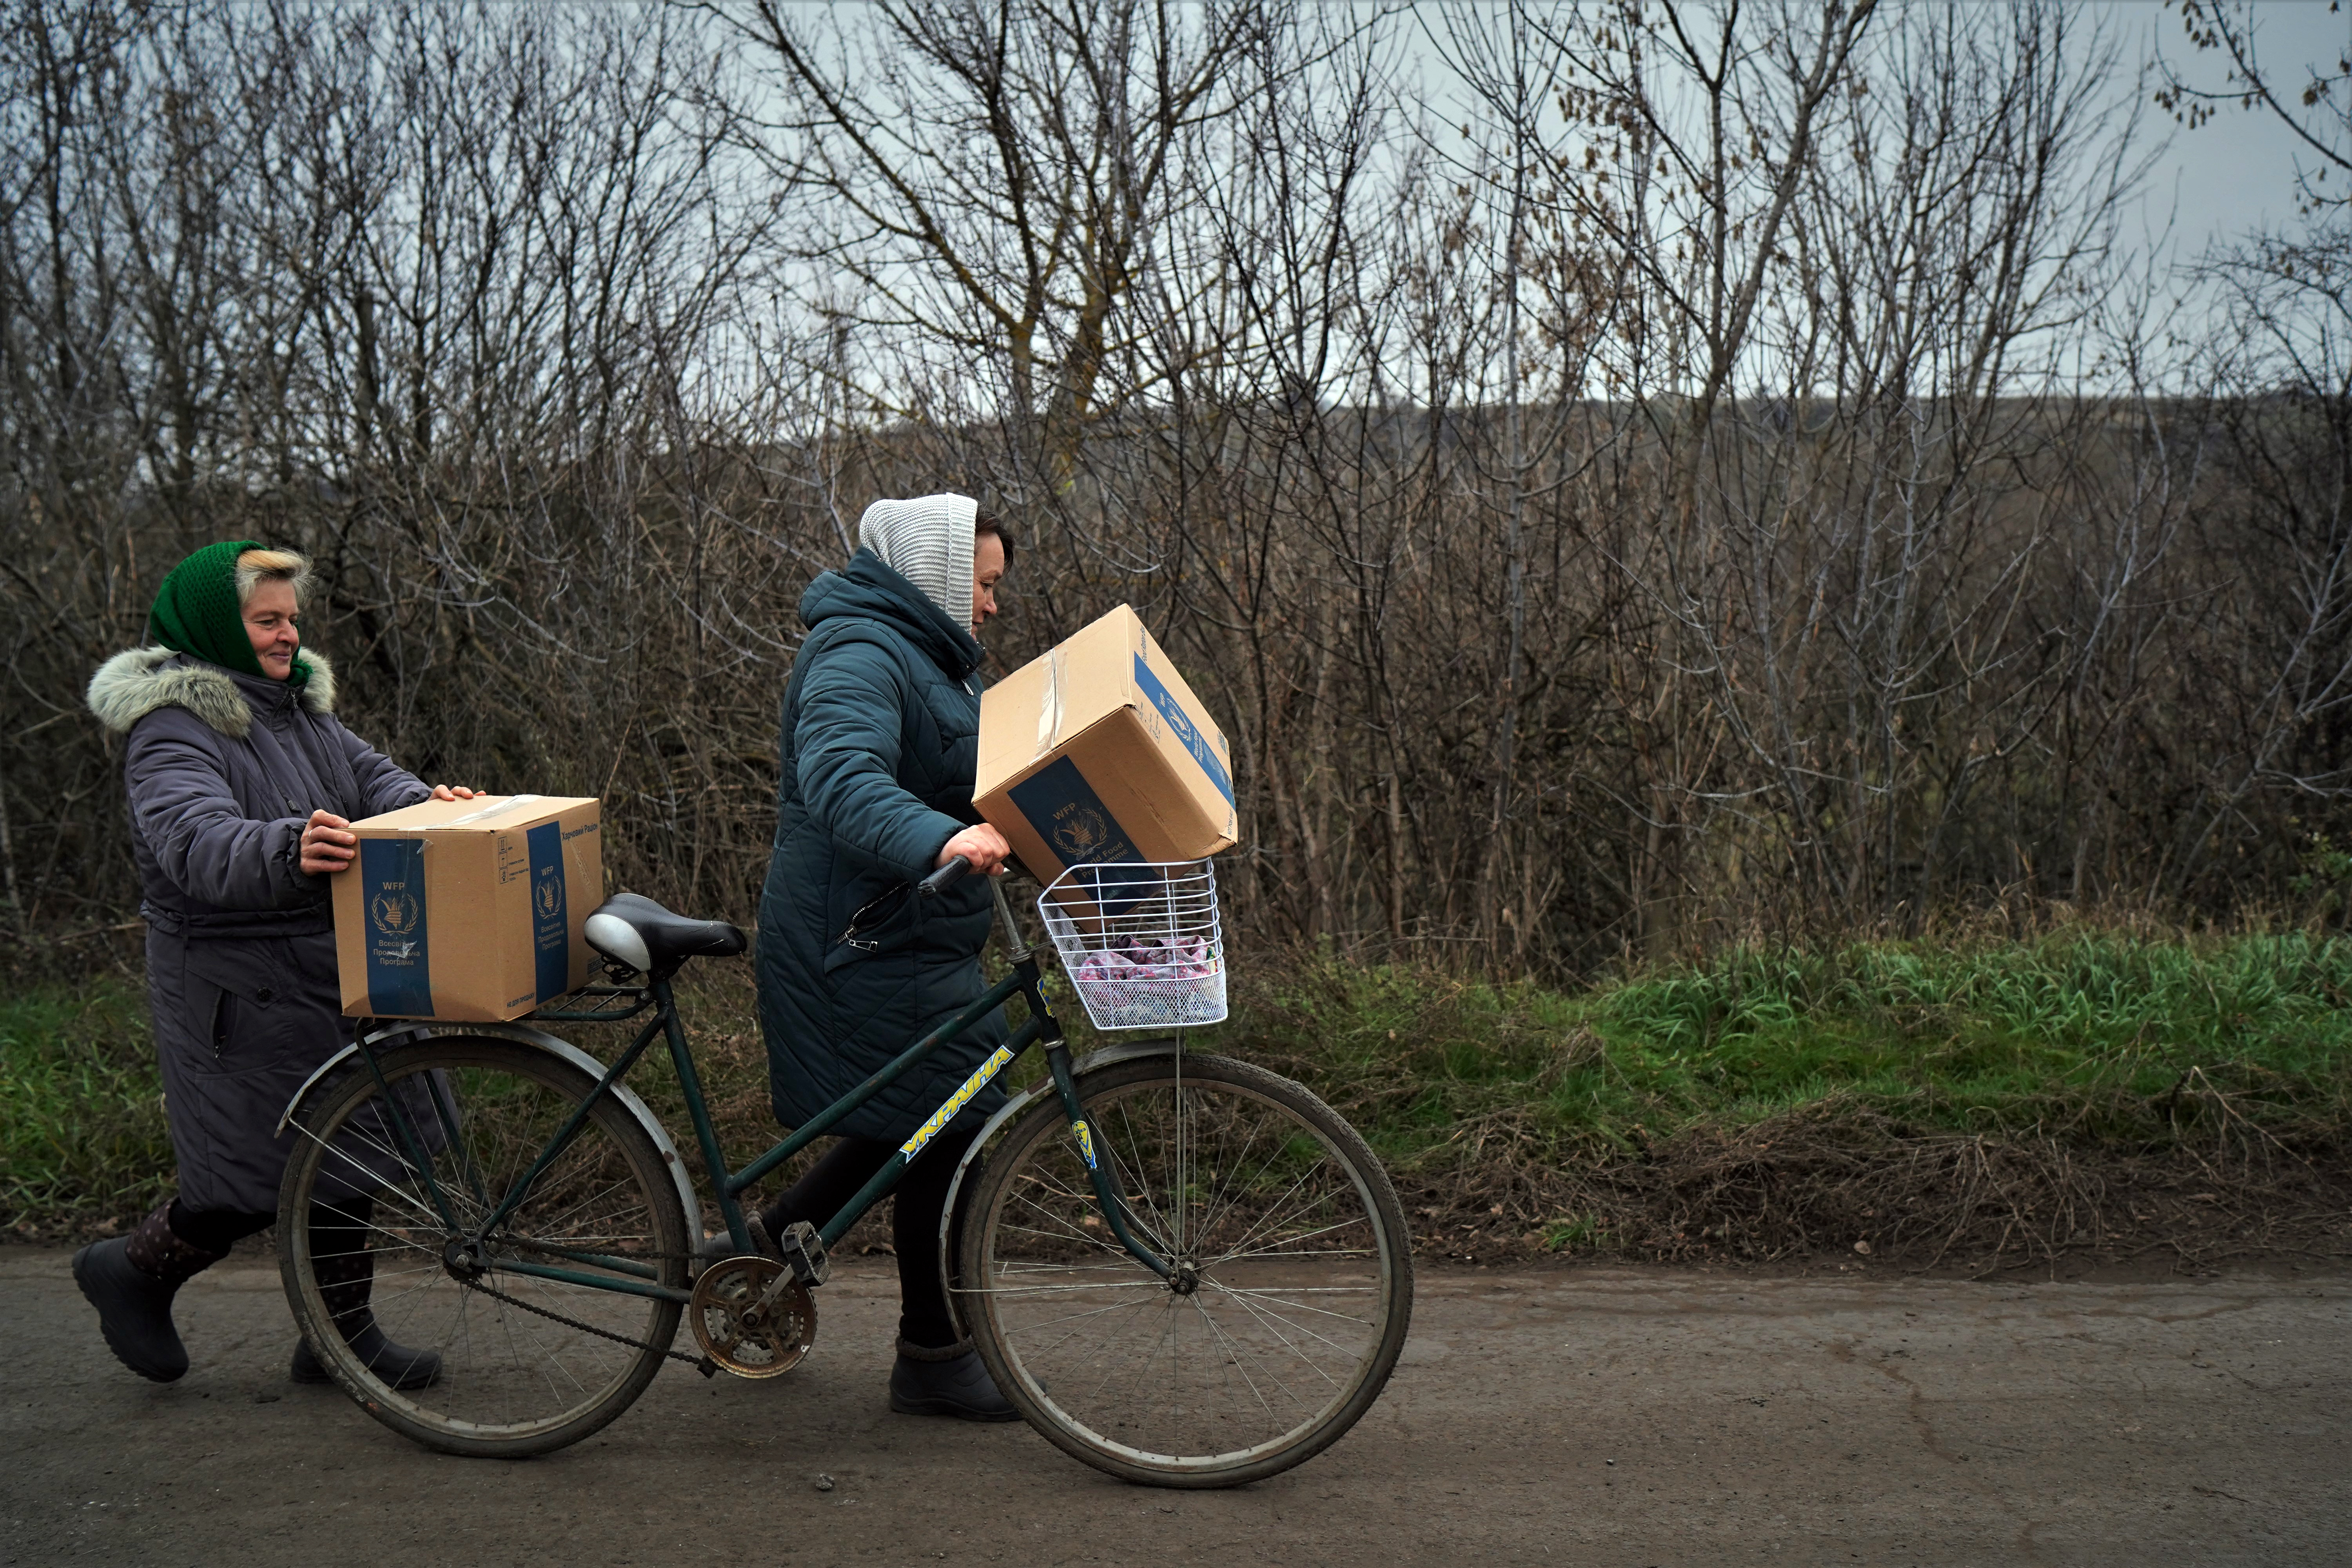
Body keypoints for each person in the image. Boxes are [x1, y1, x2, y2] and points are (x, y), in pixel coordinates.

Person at [76, 541, 476, 1388]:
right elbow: (194, 843)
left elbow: (373, 781)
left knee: (347, 1156)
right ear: (221, 624)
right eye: (267, 619)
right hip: (235, 990)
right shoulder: (170, 731)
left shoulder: (298, 712)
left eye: (292, 618)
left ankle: (339, 1336)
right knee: (245, 1179)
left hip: (322, 968)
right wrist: (289, 846)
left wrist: (434, 807)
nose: (288, 633)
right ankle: (134, 1269)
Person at [753, 493, 1020, 1421]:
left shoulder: (936, 663)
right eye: (983, 583)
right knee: (951, 1119)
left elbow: (971, 771)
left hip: (906, 933)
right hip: (853, 938)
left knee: (924, 1107)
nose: (991, 604)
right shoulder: (861, 651)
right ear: (941, 575)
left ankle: (760, 1254)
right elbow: (842, 776)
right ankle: (933, 1353)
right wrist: (944, 842)